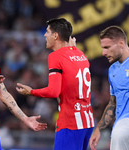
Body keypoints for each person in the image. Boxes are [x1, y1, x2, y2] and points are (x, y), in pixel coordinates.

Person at [16, 18, 94, 150]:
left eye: (47, 32)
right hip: (87, 121)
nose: (45, 35)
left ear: (56, 35)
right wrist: (72, 47)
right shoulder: (81, 54)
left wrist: (31, 91)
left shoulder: (55, 56)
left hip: (70, 122)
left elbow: (53, 91)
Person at [89, 26, 129, 150]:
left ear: (121, 43)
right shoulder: (112, 70)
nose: (103, 53)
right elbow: (112, 103)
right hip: (121, 127)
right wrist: (98, 129)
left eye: (107, 47)